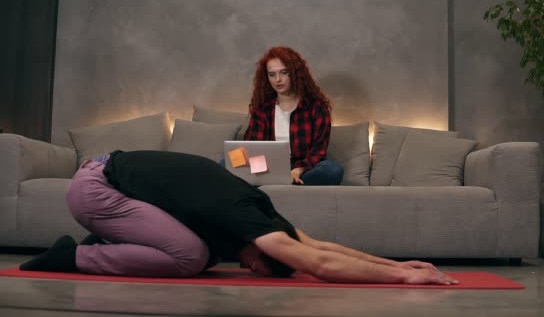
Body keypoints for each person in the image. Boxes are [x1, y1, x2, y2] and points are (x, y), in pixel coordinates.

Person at [20, 151, 458, 285]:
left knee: (203, 254)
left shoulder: (263, 212)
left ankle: (103, 248)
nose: (249, 268)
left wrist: (398, 264)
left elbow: (317, 247)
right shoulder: (245, 220)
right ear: (263, 250)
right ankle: (75, 257)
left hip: (107, 181)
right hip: (95, 189)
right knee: (193, 256)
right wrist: (404, 281)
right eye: (259, 266)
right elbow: (317, 265)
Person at [245, 46, 344, 185]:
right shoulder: (263, 109)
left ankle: (279, 182)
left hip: (304, 169)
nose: (278, 79)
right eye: (272, 74)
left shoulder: (316, 106)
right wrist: (259, 168)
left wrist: (298, 170)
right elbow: (252, 146)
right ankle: (283, 182)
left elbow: (318, 151)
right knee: (226, 163)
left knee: (333, 170)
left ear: (295, 74)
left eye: (284, 72)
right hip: (268, 168)